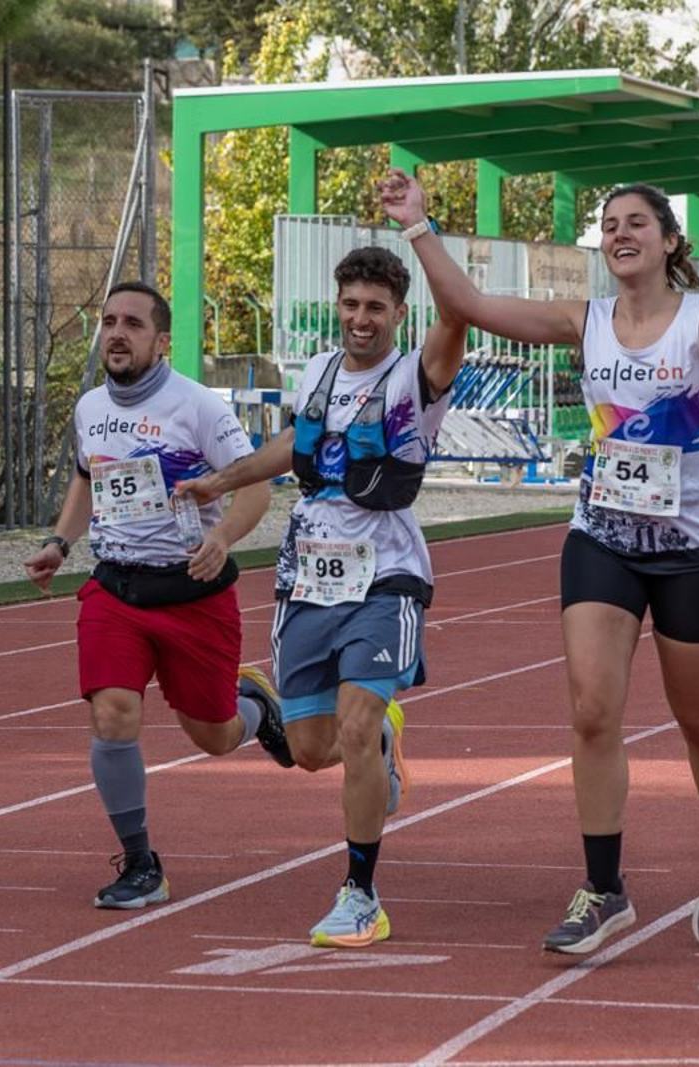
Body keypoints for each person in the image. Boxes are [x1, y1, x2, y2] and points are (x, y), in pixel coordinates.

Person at [387, 167, 699, 954]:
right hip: (601, 537)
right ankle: (605, 887)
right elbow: (470, 308)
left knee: (698, 717)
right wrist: (415, 225)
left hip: (693, 551)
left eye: (637, 223)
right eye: (609, 226)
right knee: (592, 710)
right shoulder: (587, 320)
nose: (620, 235)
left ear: (670, 241)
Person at [175, 222, 466, 948]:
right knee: (310, 748)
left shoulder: (417, 376)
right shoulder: (318, 372)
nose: (360, 318)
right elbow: (291, 445)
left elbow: (457, 314)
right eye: (350, 304)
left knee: (358, 724)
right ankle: (375, 746)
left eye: (375, 306)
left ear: (400, 312)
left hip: (386, 575)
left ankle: (361, 893)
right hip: (310, 574)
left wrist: (422, 229)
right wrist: (226, 476)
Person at [23, 280, 282, 910]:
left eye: (132, 324)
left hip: (192, 592)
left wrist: (221, 536)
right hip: (115, 588)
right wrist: (60, 542)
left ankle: (259, 707)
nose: (116, 332)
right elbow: (88, 481)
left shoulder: (197, 407)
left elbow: (255, 489)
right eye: (108, 321)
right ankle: (141, 862)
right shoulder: (89, 409)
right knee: (112, 713)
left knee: (214, 736)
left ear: (160, 340)